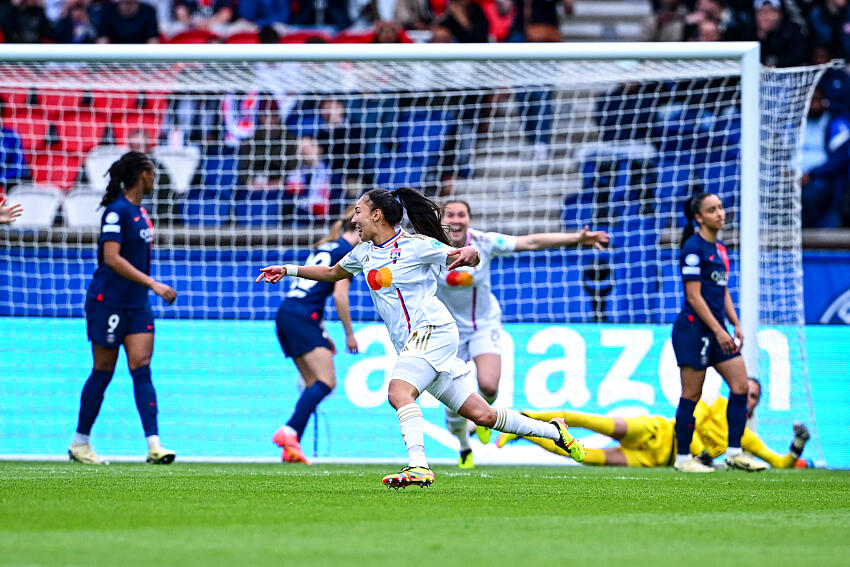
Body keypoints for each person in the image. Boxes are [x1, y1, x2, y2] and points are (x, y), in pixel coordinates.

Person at [256, 187, 586, 488]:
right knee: (481, 414)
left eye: (358, 211)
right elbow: (331, 273)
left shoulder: (417, 245)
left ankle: (418, 466)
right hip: (414, 343)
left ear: (376, 215)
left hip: (434, 331)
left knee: (399, 392)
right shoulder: (363, 253)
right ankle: (554, 431)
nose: (353, 218)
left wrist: (472, 252)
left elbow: (461, 255)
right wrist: (288, 269)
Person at [437, 199, 609, 468]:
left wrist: (578, 238)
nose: (456, 220)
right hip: (446, 332)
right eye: (451, 215)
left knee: (490, 387)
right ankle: (463, 444)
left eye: (462, 215)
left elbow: (531, 242)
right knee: (454, 400)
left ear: (469, 219)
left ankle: (482, 417)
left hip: (483, 325)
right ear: (441, 219)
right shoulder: (429, 248)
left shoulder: (484, 242)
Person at [69, 151, 177, 466]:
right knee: (103, 370)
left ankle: (154, 445)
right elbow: (112, 259)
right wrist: (153, 284)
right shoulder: (116, 212)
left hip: (137, 305)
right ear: (142, 174)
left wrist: (146, 290)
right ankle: (80, 443)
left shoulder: (141, 212)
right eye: (152, 171)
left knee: (141, 367)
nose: (155, 177)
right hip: (108, 302)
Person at [497, 378, 813, 469]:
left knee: (587, 456)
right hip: (654, 431)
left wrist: (797, 446)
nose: (749, 399)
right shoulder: (715, 404)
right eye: (747, 393)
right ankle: (523, 416)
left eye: (754, 397)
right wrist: (701, 452)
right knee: (593, 422)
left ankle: (520, 434)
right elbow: (689, 419)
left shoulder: (745, 439)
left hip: (654, 459)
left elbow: (779, 463)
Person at [670, 192, 764, 473]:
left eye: (721, 208)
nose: (720, 213)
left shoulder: (720, 249)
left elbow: (721, 290)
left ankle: (734, 452)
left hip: (717, 330)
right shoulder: (692, 249)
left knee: (740, 385)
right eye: (712, 210)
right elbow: (695, 297)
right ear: (699, 217)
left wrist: (734, 322)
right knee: (691, 395)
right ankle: (683, 458)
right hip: (693, 330)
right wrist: (719, 330)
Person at [271, 207, 360, 465]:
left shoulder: (325, 246)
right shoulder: (346, 251)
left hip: (288, 313)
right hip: (302, 317)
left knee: (313, 384)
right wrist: (349, 334)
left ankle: (291, 445)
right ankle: (288, 431)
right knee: (326, 382)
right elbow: (339, 295)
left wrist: (321, 330)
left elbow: (311, 290)